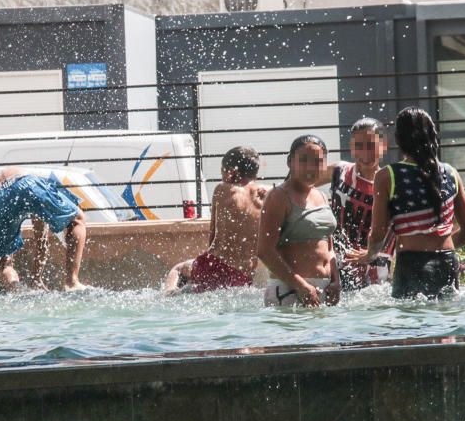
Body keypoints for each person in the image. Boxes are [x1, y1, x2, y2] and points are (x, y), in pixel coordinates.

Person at [356, 107, 465, 299]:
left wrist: (369, 256)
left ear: (398, 140)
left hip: (411, 263)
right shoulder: (450, 172)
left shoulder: (388, 176)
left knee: (411, 325)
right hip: (446, 262)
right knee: (446, 322)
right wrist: (439, 250)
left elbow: (378, 233)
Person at [0, 167, 87, 292]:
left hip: (0, 194)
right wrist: (36, 277)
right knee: (77, 220)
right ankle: (72, 282)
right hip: (27, 182)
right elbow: (41, 241)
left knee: (2, 265)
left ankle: (18, 291)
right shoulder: (38, 182)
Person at [163, 146, 267, 293]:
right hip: (243, 277)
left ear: (230, 171)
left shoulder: (222, 189)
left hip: (213, 267)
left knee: (179, 269)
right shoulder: (268, 195)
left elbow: (213, 235)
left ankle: (168, 295)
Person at [257, 135, 341, 307]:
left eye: (317, 161)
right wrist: (300, 285)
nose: (311, 167)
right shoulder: (278, 197)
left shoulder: (322, 196)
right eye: (303, 160)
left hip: (323, 290)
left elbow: (329, 247)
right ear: (290, 162)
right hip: (289, 291)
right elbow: (265, 251)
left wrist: (336, 281)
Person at [317, 117, 394, 291]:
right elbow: (299, 183)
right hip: (336, 269)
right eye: (358, 146)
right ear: (351, 147)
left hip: (377, 279)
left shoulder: (391, 182)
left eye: (371, 146)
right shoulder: (339, 171)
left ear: (383, 146)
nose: (365, 154)